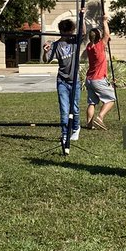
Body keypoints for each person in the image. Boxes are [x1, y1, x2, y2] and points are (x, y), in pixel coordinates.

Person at [43, 16, 82, 153]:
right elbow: (46, 60)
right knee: (64, 110)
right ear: (62, 32)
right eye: (67, 32)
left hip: (75, 81)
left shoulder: (75, 42)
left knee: (75, 108)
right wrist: (45, 50)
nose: (69, 34)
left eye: (71, 32)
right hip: (62, 82)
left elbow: (83, 32)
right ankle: (65, 135)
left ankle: (76, 128)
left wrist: (81, 13)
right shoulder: (56, 45)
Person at [85, 13, 116, 130]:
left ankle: (89, 123)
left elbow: (105, 36)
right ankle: (100, 118)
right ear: (99, 38)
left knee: (92, 102)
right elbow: (107, 34)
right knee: (111, 99)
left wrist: (105, 38)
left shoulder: (89, 46)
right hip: (98, 79)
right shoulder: (99, 47)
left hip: (89, 79)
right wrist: (104, 21)